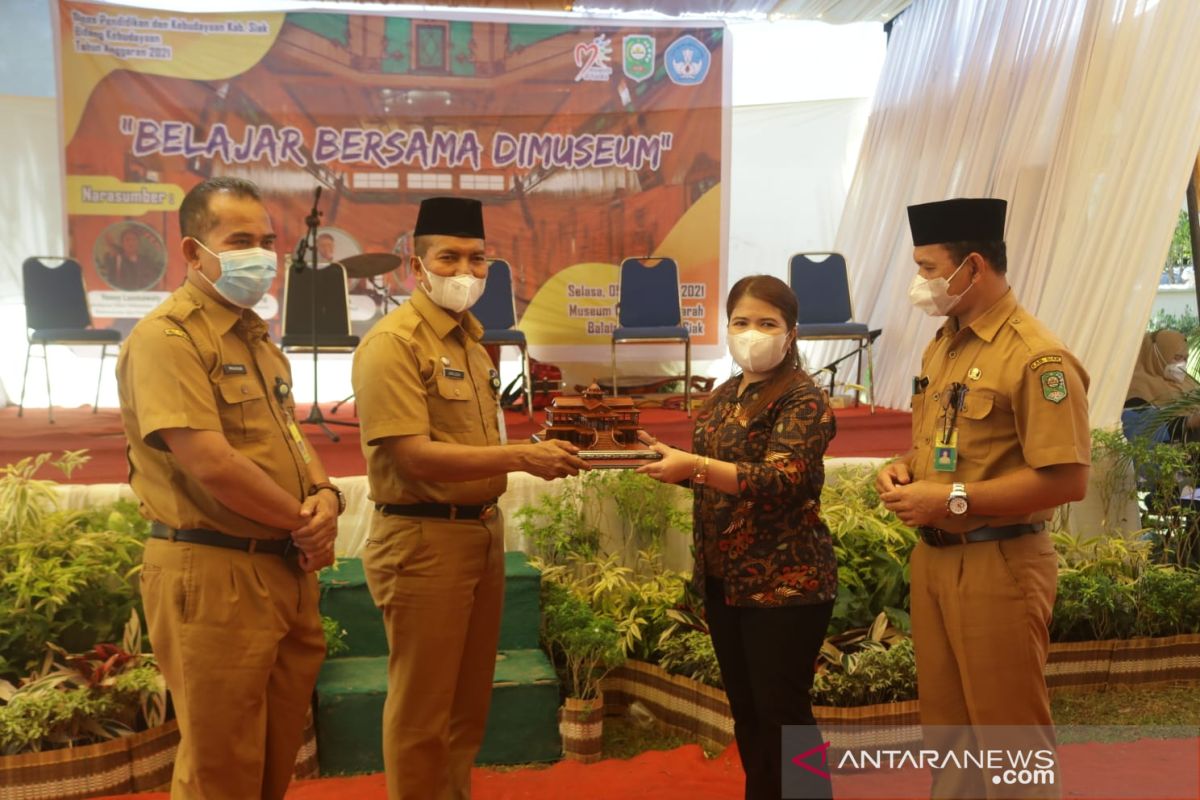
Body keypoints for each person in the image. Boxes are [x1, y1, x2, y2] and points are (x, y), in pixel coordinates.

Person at [350, 196, 589, 800]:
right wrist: (521, 458)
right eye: (448, 258)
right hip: (423, 538)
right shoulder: (393, 343)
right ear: (416, 265)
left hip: (480, 532)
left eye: (476, 260)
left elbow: (477, 441)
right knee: (422, 711)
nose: (464, 272)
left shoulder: (469, 341)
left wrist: (543, 447)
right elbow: (412, 455)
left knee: (465, 706)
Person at [116, 176, 342, 799]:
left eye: (267, 241)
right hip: (211, 571)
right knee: (222, 769)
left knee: (271, 762)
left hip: (279, 570)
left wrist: (326, 495)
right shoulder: (168, 338)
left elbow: (290, 438)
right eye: (240, 240)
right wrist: (304, 520)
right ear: (193, 251)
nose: (262, 256)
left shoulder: (256, 339)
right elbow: (209, 462)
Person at [876, 198, 1091, 798]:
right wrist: (902, 469)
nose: (920, 283)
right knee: (948, 739)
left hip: (1000, 563)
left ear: (972, 266)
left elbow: (1068, 480)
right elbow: (945, 445)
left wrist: (954, 502)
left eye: (927, 267)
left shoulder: (1035, 356)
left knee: (1009, 743)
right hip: (938, 560)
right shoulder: (945, 344)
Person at [638, 274, 837, 800]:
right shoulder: (726, 394)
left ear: (791, 333)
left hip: (787, 581)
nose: (753, 333)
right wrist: (669, 462)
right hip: (727, 579)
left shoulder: (804, 398)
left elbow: (784, 478)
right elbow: (716, 474)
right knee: (748, 714)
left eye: (767, 323)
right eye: (741, 322)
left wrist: (696, 467)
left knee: (786, 716)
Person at [1122, 329, 1200, 442]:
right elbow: (1141, 433)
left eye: (1185, 359)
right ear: (1156, 354)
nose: (1182, 364)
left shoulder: (1187, 383)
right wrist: (1190, 422)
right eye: (1177, 357)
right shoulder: (1138, 387)